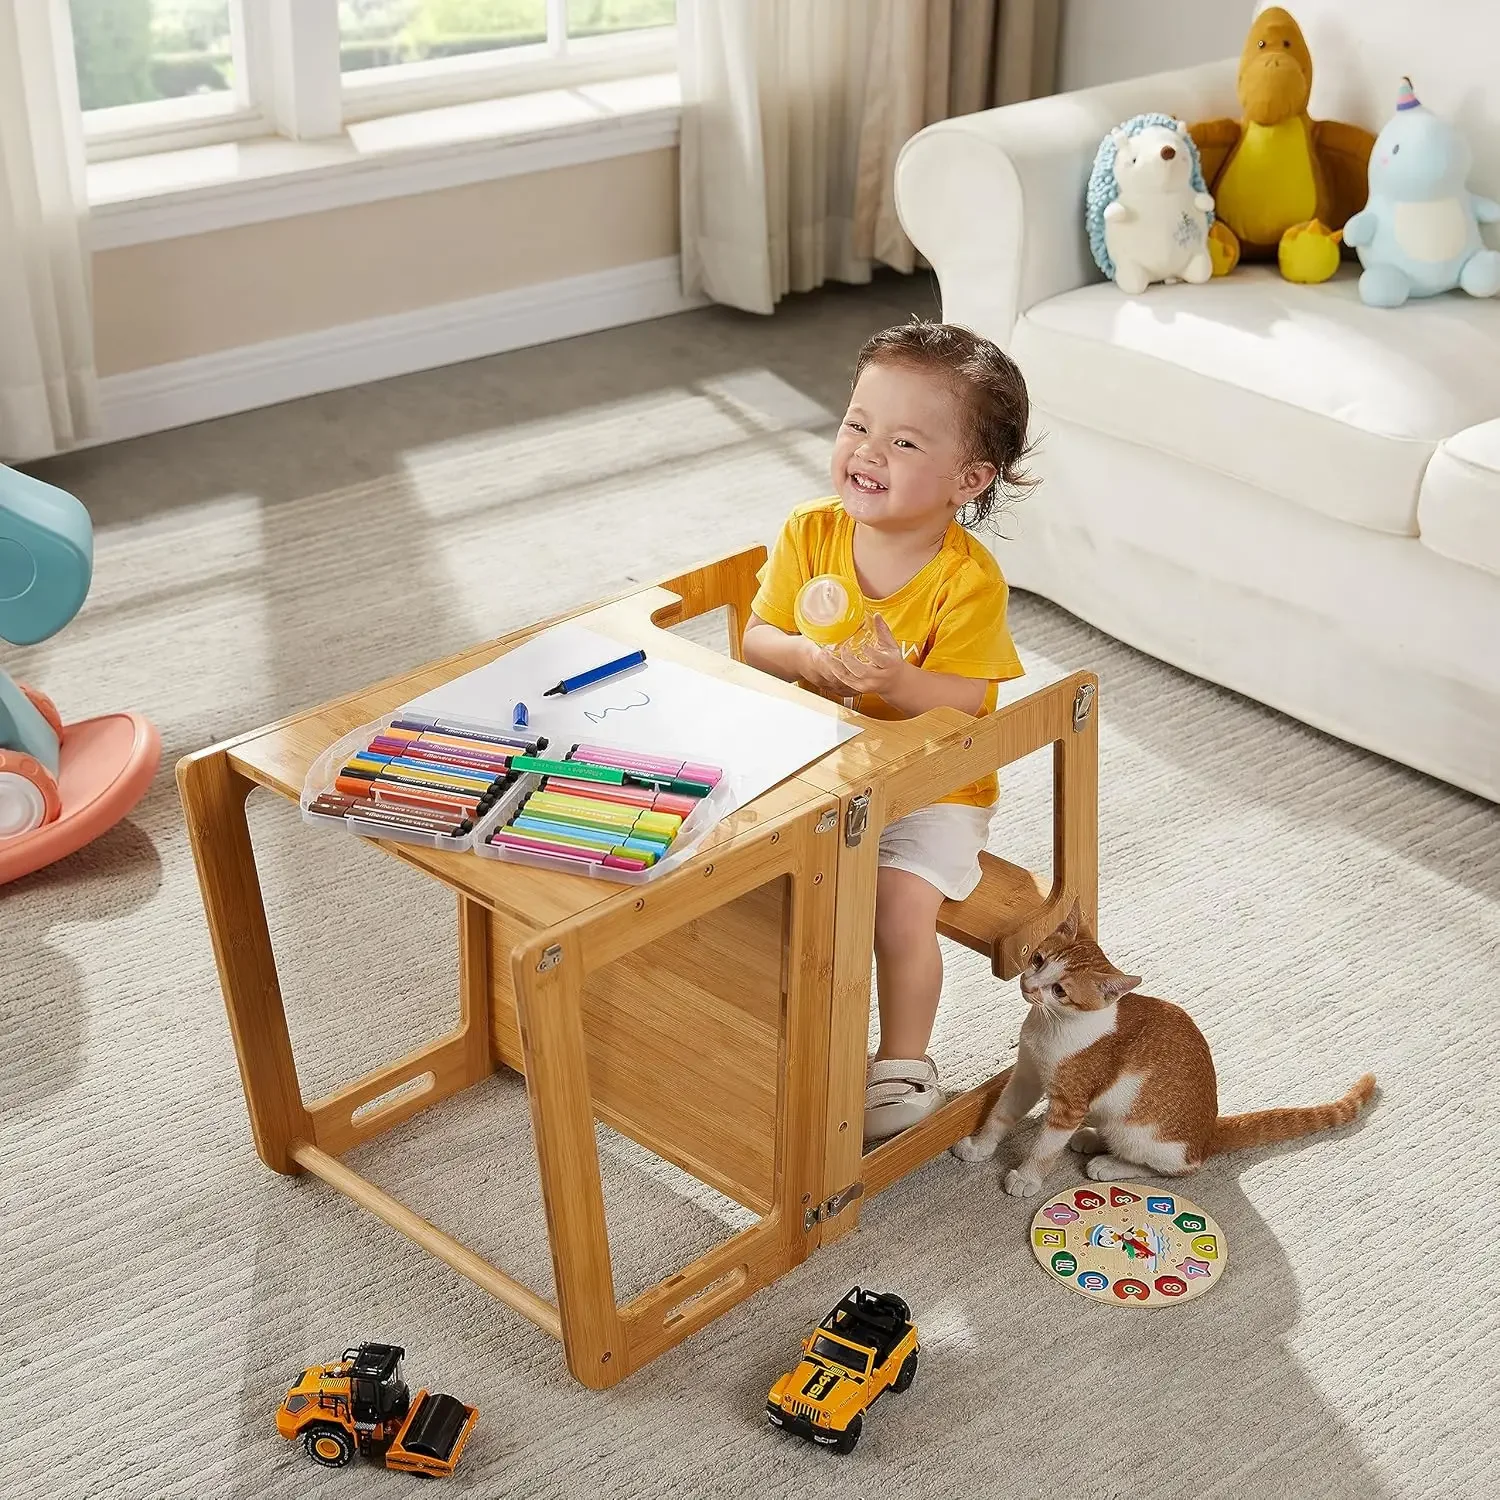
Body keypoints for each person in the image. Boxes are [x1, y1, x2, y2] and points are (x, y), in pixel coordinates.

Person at [743, 319, 1032, 1142]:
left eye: (903, 442)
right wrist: (807, 657)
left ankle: (903, 1062)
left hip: (932, 787)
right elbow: (758, 640)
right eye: (857, 424)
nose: (866, 452)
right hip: (826, 763)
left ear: (967, 479)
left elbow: (970, 701)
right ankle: (762, 1035)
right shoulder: (813, 530)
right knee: (749, 876)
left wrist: (898, 681)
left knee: (896, 907)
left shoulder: (965, 579)